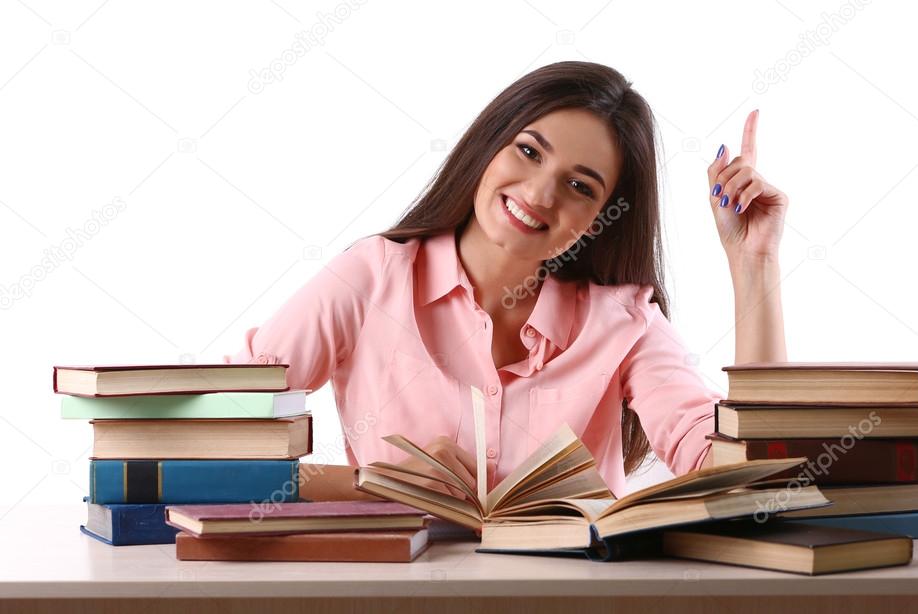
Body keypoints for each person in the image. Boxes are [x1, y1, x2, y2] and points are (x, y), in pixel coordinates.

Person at [224, 61, 789, 501]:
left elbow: (747, 476)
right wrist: (370, 483)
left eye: (581, 187)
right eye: (528, 151)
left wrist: (753, 264)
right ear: (490, 142)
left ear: (601, 219)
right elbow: (221, 436)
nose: (540, 194)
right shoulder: (371, 278)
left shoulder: (625, 321)